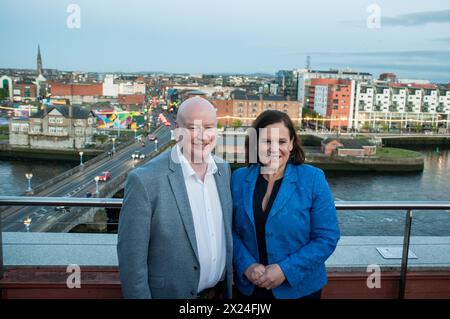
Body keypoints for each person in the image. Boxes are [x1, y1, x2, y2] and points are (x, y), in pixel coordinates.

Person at [117, 96, 233, 299]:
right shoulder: (144, 180)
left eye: (208, 126)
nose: (202, 136)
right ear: (177, 129)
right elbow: (131, 262)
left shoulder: (223, 170)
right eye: (191, 128)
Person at [232, 110, 340, 299]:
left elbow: (327, 237)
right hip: (250, 288)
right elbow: (228, 231)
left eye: (281, 142)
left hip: (299, 289)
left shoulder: (313, 178)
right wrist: (246, 265)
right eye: (266, 141)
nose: (273, 149)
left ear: (291, 144)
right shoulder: (238, 179)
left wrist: (285, 270)